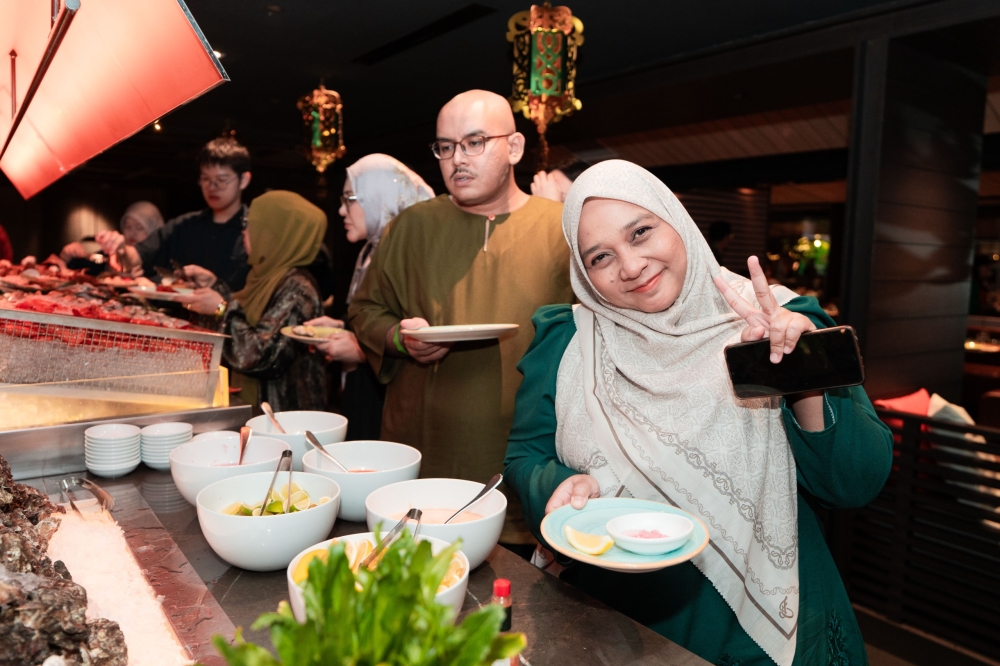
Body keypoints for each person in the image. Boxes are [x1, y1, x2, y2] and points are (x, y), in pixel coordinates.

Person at [504, 160, 893, 666]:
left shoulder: (782, 323)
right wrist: (555, 484)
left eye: (641, 232)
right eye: (601, 257)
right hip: (617, 621)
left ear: (677, 218)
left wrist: (796, 371)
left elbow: (855, 482)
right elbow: (524, 455)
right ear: (583, 273)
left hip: (764, 631)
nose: (630, 265)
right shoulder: (567, 342)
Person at [348, 90, 574, 548]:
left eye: (474, 143)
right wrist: (397, 338)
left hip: (526, 452)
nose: (457, 160)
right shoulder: (411, 226)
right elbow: (365, 308)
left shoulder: (563, 228)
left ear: (514, 147)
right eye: (445, 147)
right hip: (425, 445)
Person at [305, 154, 434, 441]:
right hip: (363, 391)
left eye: (350, 198)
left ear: (380, 197)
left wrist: (362, 350)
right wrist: (342, 326)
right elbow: (378, 315)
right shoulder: (370, 251)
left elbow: (425, 333)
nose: (341, 210)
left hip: (392, 399)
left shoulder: (415, 254)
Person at [176, 190, 327, 412]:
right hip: (258, 415)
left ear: (275, 234)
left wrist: (220, 308)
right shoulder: (264, 276)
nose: (244, 231)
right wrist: (215, 286)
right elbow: (252, 318)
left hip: (282, 423)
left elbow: (261, 355)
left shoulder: (298, 288)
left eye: (251, 225)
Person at [97, 137, 253, 293]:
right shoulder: (184, 225)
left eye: (222, 179)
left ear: (243, 180)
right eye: (205, 179)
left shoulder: (252, 231)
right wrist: (120, 248)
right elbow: (137, 256)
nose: (212, 187)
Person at [61, 201, 164, 273]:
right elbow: (80, 271)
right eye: (127, 226)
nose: (132, 233)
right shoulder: (112, 255)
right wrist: (67, 257)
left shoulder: (162, 262)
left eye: (139, 227)